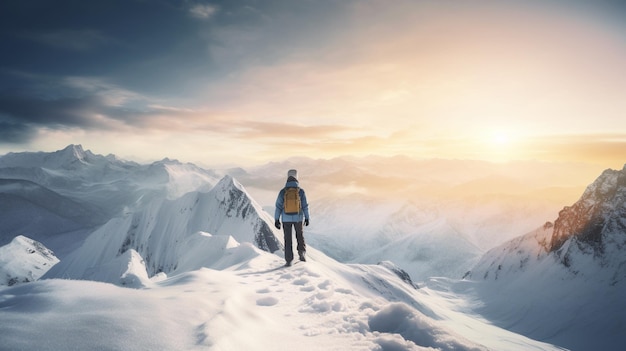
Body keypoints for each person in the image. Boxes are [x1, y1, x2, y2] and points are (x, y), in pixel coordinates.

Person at [275, 169, 310, 266]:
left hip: (286, 219)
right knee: (299, 235)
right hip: (298, 218)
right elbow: (305, 206)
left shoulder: (283, 191)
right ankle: (302, 253)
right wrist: (307, 218)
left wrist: (276, 219)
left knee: (288, 238)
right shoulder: (300, 191)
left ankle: (289, 259)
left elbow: (278, 206)